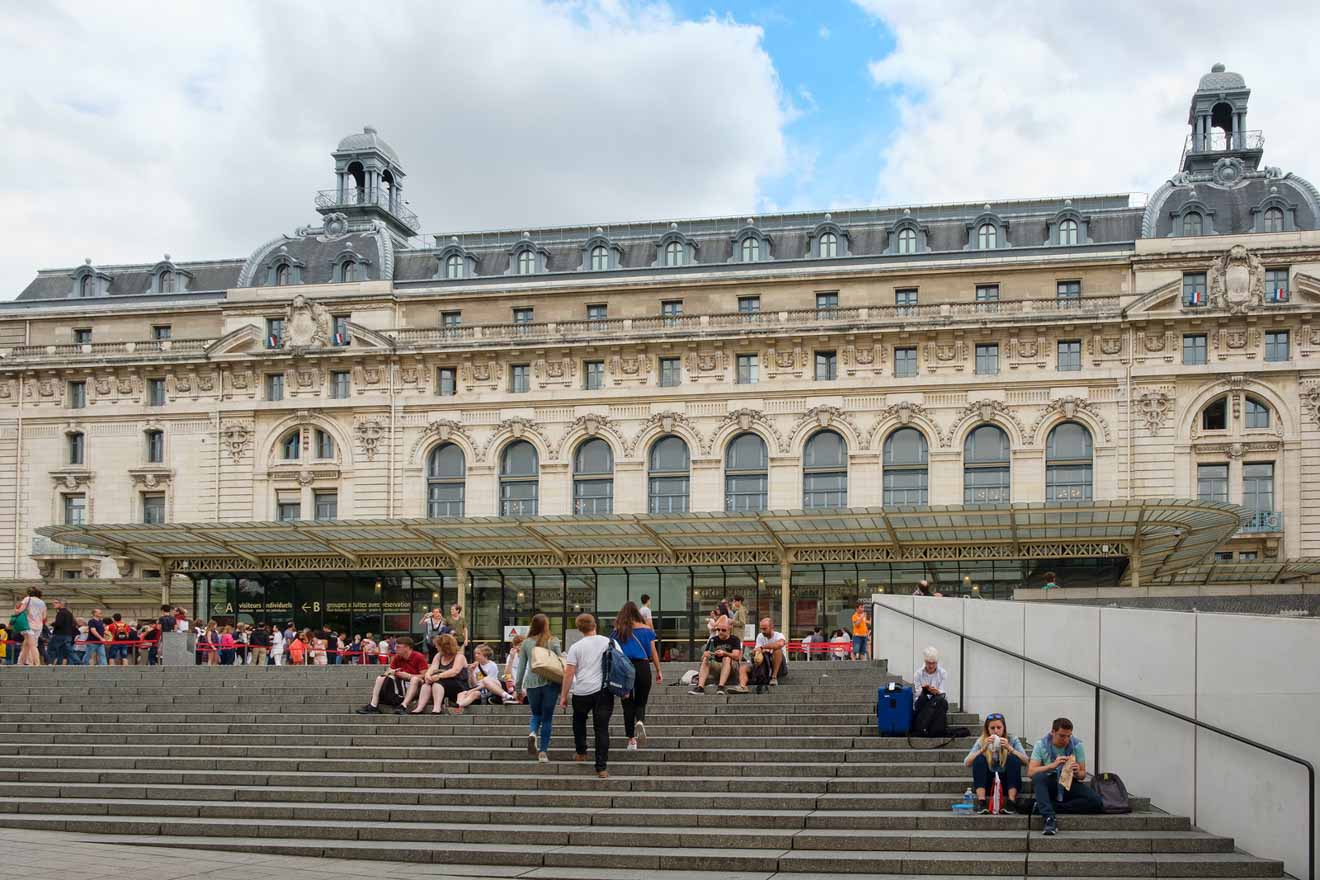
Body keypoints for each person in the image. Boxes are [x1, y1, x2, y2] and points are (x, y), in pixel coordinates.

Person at [559, 613, 614, 779]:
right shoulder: (609, 642)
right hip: (604, 691)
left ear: (579, 629)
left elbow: (569, 674)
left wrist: (563, 695)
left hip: (581, 691)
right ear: (594, 625)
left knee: (578, 721)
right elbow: (619, 664)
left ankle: (581, 752)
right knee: (602, 729)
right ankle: (601, 768)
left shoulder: (576, 647)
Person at [1028, 717, 1103, 835]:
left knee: (1097, 802)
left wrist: (1078, 771)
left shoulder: (1077, 745)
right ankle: (1049, 818)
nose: (1066, 740)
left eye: (1069, 736)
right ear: (1052, 732)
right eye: (1062, 736)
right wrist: (1053, 765)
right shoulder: (1041, 744)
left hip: (1069, 781)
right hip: (1050, 782)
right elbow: (1031, 772)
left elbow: (1083, 774)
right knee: (1038, 777)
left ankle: (1046, 806)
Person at [611, 601, 662, 751]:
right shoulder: (647, 630)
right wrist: (658, 670)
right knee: (641, 700)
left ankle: (631, 740)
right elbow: (653, 652)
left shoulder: (617, 631)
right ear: (637, 613)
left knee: (627, 704)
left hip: (624, 669)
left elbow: (613, 653)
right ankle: (640, 720)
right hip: (642, 666)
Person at [515, 613, 561, 763]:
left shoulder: (526, 643)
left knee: (536, 714)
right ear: (547, 625)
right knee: (547, 718)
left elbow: (521, 668)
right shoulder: (553, 641)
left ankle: (533, 732)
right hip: (550, 683)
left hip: (532, 684)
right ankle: (543, 752)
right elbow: (560, 664)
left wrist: (517, 689)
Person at [964, 712, 1029, 814]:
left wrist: (1010, 749)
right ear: (987, 729)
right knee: (979, 759)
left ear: (1004, 728)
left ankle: (1011, 801)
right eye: (992, 728)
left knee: (1013, 759)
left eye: (999, 727)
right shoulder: (982, 740)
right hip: (988, 782)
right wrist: (982, 749)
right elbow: (967, 763)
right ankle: (982, 802)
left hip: (1007, 781)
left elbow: (1026, 761)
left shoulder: (1012, 739)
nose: (996, 731)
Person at [355, 637, 429, 715]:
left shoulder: (418, 657)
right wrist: (393, 672)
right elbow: (387, 672)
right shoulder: (397, 657)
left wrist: (409, 676)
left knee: (414, 679)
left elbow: (424, 675)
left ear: (407, 647)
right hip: (400, 684)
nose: (395, 648)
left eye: (398, 647)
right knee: (380, 678)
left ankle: (403, 706)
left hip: (415, 684)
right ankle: (373, 705)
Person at [408, 634, 467, 714]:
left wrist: (439, 676)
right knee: (426, 684)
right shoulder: (439, 656)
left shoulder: (459, 656)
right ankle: (420, 707)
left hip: (458, 684)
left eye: (437, 645)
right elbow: (433, 668)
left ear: (445, 647)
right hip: (442, 683)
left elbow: (454, 671)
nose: (436, 647)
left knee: (437, 683)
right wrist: (428, 675)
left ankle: (437, 708)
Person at [690, 617, 743, 695]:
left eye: (723, 630)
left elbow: (736, 656)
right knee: (706, 659)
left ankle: (721, 686)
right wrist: (706, 655)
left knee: (726, 658)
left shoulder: (734, 639)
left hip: (732, 667)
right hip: (717, 666)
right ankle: (700, 687)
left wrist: (725, 653)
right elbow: (702, 658)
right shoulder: (713, 640)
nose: (720, 632)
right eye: (718, 630)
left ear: (729, 629)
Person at [455, 644, 514, 709]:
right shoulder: (476, 666)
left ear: (485, 655)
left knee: (474, 693)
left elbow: (488, 684)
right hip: (479, 688)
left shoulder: (492, 665)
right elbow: (474, 684)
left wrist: (472, 690)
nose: (476, 655)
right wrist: (471, 673)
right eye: (475, 653)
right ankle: (458, 705)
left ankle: (460, 705)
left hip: (491, 689)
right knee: (461, 694)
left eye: (478, 653)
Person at [911, 646, 949, 735]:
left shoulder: (942, 673)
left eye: (934, 663)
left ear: (937, 662)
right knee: (922, 699)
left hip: (937, 700)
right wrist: (925, 691)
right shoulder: (918, 674)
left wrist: (937, 692)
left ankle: (936, 728)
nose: (931, 666)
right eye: (929, 663)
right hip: (923, 701)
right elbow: (917, 694)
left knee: (941, 701)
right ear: (925, 661)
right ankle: (922, 727)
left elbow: (943, 693)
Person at [747, 617, 788, 691]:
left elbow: (779, 644)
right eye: (761, 629)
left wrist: (762, 647)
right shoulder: (760, 636)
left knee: (777, 651)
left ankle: (774, 677)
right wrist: (755, 652)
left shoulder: (779, 635)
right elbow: (758, 650)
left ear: (772, 627)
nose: (763, 631)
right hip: (766, 664)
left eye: (765, 629)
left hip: (780, 667)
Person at [14, 588, 47, 667]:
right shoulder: (42, 602)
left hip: (28, 625)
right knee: (26, 644)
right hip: (39, 626)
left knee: (32, 645)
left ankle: (36, 663)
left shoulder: (27, 599)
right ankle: (21, 662)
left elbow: (19, 611)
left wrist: (16, 609)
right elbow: (44, 616)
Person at [48, 599, 78, 666]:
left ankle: (50, 663)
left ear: (61, 604)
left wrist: (52, 624)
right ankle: (76, 661)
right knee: (65, 650)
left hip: (59, 635)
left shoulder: (60, 613)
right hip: (68, 635)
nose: (53, 604)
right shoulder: (69, 613)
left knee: (51, 649)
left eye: (55, 603)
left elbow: (59, 624)